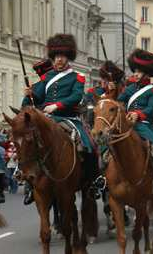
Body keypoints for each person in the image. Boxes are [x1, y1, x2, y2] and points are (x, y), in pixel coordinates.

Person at [22, 34, 98, 204]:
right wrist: (30, 94)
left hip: (68, 117)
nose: (59, 60)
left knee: (89, 144)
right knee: (29, 142)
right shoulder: (47, 77)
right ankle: (30, 185)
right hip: (46, 116)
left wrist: (57, 106)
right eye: (56, 57)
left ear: (68, 57)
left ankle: (93, 181)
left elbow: (77, 96)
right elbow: (39, 96)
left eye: (62, 56)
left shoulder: (77, 77)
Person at [117, 49, 153, 194]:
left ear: (147, 74)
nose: (135, 74)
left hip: (144, 126)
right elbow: (119, 103)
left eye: (138, 71)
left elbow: (151, 108)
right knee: (106, 149)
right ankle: (103, 179)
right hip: (126, 125)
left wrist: (138, 115)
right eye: (134, 71)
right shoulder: (129, 89)